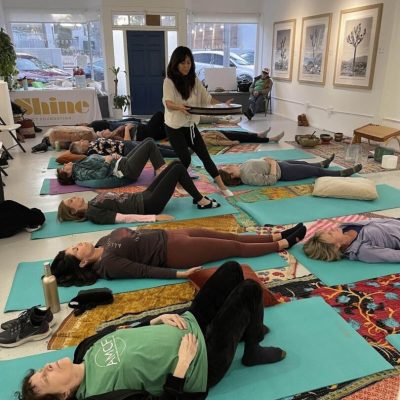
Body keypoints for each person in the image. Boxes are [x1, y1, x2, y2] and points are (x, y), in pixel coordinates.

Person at [19, 261, 286, 400]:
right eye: (45, 379)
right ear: (65, 394)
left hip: (187, 324)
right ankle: (252, 349)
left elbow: (127, 332)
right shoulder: (99, 395)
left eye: (41, 371)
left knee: (231, 270)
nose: (47, 369)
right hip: (202, 361)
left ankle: (250, 328)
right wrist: (182, 366)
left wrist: (156, 321)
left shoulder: (84, 350)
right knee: (250, 291)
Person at [50, 223, 307, 286]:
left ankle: (276, 235)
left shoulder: (101, 242)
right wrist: (180, 273)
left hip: (171, 235)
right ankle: (284, 244)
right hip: (174, 252)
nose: (77, 244)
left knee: (231, 236)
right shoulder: (108, 265)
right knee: (234, 249)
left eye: (72, 245)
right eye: (74, 250)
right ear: (82, 261)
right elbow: (144, 271)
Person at [163, 46, 235, 197]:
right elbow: (168, 102)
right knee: (185, 158)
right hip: (174, 126)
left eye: (189, 63)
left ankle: (222, 187)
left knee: (204, 155)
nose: (186, 66)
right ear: (175, 63)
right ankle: (174, 182)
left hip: (190, 125)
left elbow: (208, 99)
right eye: (182, 63)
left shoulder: (194, 80)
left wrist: (223, 104)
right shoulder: (169, 81)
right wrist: (179, 106)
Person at [57, 160, 221, 225]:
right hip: (148, 205)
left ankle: (197, 198)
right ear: (74, 212)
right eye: (71, 201)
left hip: (144, 196)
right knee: (178, 168)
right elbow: (122, 218)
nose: (74, 198)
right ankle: (200, 200)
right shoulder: (94, 213)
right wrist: (154, 218)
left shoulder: (93, 202)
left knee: (175, 165)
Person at [56, 138, 166, 186]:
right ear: (68, 174)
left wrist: (111, 156)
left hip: (121, 162)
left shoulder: (78, 165)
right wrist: (108, 161)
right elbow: (99, 175)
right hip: (125, 169)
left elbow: (99, 161)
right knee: (150, 145)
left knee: (148, 140)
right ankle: (162, 174)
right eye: (64, 168)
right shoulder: (80, 173)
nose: (65, 164)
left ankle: (160, 171)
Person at [218, 154, 363, 186]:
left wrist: (266, 160)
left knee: (305, 163)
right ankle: (342, 173)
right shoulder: (247, 178)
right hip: (285, 172)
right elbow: (271, 180)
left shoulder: (243, 168)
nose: (229, 164)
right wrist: (273, 164)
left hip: (282, 164)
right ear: (231, 174)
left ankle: (321, 164)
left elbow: (259, 164)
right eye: (228, 167)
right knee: (313, 172)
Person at [303, 218, 400, 263]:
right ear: (336, 246)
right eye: (330, 234)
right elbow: (395, 256)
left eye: (328, 231)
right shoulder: (362, 250)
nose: (332, 229)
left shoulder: (344, 228)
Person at [85, 111, 166, 141]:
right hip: (142, 133)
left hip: (144, 131)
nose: (104, 130)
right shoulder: (114, 138)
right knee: (159, 115)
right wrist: (126, 129)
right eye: (102, 131)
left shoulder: (114, 134)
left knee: (164, 133)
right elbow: (128, 143)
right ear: (104, 136)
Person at [201, 128, 284, 147]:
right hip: (225, 138)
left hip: (221, 133)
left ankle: (258, 134)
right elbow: (218, 142)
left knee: (241, 133)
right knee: (245, 137)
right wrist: (231, 143)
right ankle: (272, 139)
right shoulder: (204, 140)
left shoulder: (200, 134)